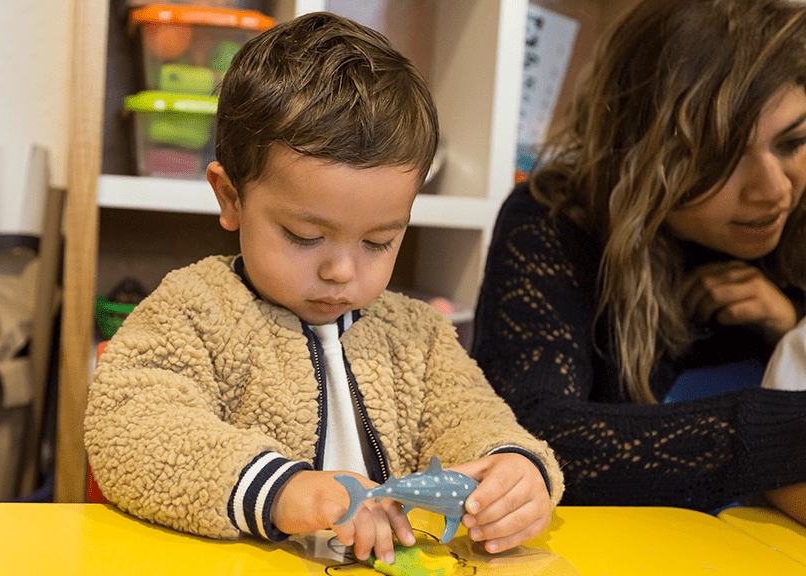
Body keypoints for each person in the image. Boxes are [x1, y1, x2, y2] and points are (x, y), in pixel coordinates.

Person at [85, 12, 564, 565]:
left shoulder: (420, 336)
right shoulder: (192, 311)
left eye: (379, 241)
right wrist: (283, 491)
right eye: (305, 236)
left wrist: (512, 470)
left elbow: (471, 418)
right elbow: (130, 429)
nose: (341, 270)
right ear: (230, 197)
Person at [471, 0, 806, 524]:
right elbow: (530, 438)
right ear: (643, 154)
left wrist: (793, 327)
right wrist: (784, 432)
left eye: (794, 142)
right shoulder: (553, 220)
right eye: (721, 158)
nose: (774, 189)